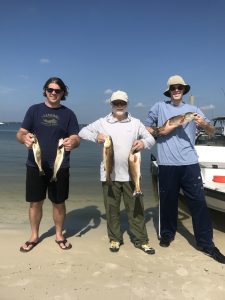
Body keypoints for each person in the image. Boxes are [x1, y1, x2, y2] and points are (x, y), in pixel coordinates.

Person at [145, 75, 225, 264]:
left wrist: (204, 124)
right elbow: (146, 127)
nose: (176, 90)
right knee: (167, 201)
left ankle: (205, 243)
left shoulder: (194, 110)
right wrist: (161, 131)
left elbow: (212, 131)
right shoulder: (159, 107)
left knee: (198, 202)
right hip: (166, 163)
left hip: (189, 163)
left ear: (184, 89)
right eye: (173, 88)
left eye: (179, 87)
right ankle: (167, 234)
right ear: (169, 90)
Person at [79, 90, 156, 254]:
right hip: (109, 175)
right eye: (116, 103)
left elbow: (151, 139)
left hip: (132, 176)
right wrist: (96, 137)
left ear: (127, 104)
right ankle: (115, 239)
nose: (119, 106)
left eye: (122, 103)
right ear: (111, 104)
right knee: (112, 210)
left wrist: (143, 143)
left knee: (136, 210)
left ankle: (141, 240)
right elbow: (82, 132)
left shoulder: (135, 123)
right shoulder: (102, 122)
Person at [16, 77, 80, 252]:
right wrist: (25, 139)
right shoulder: (34, 110)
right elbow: (20, 133)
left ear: (63, 93)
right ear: (45, 90)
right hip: (35, 165)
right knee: (35, 202)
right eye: (50, 89)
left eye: (57, 90)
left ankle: (59, 235)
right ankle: (34, 236)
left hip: (60, 166)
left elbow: (76, 137)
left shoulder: (69, 114)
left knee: (59, 202)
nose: (53, 93)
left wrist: (72, 142)